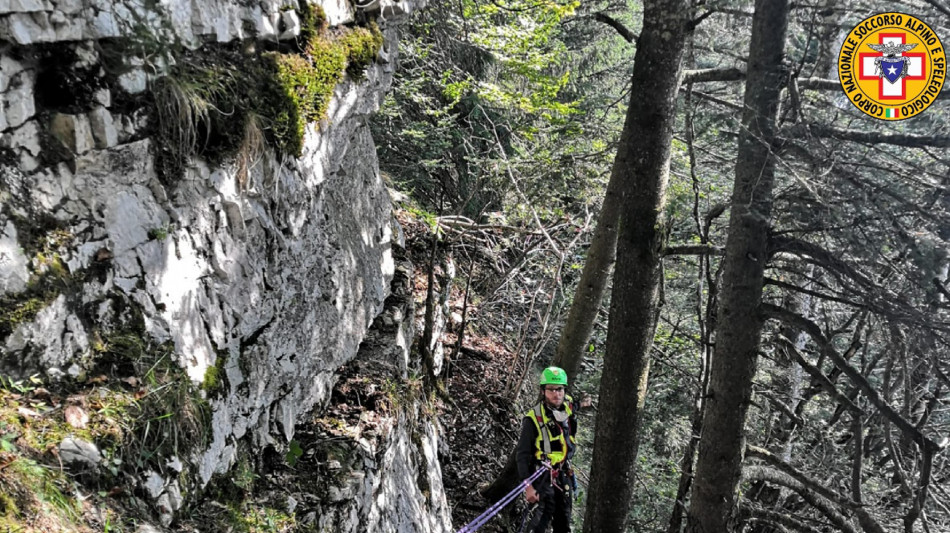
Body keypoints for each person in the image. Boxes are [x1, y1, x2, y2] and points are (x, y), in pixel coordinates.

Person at [515, 366, 578, 533]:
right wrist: (528, 486)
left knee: (564, 521)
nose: (556, 394)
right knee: (541, 520)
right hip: (543, 475)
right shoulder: (533, 418)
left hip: (563, 474)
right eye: (551, 389)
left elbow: (575, 405)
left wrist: (585, 402)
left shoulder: (568, 407)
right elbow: (522, 455)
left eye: (560, 389)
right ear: (543, 391)